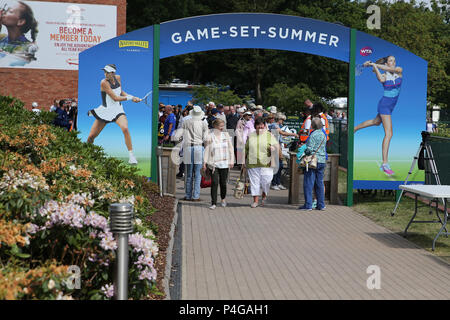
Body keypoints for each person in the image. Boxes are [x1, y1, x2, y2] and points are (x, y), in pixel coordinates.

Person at [354, 55, 402, 176]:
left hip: (391, 106)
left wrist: (372, 64)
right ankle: (385, 164)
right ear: (386, 64)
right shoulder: (384, 76)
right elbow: (380, 79)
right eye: (391, 60)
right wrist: (374, 67)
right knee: (389, 134)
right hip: (385, 105)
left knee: (376, 122)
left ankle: (354, 128)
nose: (394, 62)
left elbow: (392, 70)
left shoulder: (399, 71)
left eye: (394, 60)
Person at [87, 64, 141, 165]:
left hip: (117, 110)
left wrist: (133, 96)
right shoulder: (103, 82)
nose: (105, 74)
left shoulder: (118, 78)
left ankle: (131, 156)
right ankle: (87, 152)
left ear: (113, 73)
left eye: (107, 72)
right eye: (105, 72)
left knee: (125, 128)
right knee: (91, 137)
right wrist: (130, 98)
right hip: (105, 111)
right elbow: (115, 98)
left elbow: (120, 92)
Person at [174, 105, 209, 201]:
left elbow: (179, 135)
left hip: (188, 147)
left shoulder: (186, 121)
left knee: (188, 173)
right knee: (198, 174)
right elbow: (206, 139)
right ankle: (196, 196)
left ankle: (188, 195)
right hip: (198, 147)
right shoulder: (203, 123)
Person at [244, 117, 279, 208]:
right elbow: (246, 149)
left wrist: (273, 148)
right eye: (258, 125)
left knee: (266, 181)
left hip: (266, 162)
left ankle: (264, 195)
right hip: (252, 162)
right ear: (255, 126)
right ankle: (255, 201)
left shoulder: (269, 135)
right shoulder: (251, 135)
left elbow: (276, 147)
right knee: (254, 182)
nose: (260, 127)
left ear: (264, 125)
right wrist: (242, 162)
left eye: (262, 125)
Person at [204, 119, 234, 210]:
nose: (222, 128)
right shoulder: (210, 136)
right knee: (214, 182)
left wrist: (232, 160)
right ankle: (213, 202)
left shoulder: (226, 135)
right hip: (213, 163)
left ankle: (223, 198)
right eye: (220, 126)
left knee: (223, 183)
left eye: (223, 126)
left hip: (224, 163)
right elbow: (207, 150)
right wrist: (204, 162)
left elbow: (230, 149)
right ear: (215, 126)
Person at [299, 117, 327, 211]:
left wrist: (304, 150)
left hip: (313, 161)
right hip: (322, 160)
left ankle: (308, 205)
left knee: (308, 183)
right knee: (319, 183)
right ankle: (321, 204)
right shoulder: (324, 134)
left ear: (313, 125)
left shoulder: (313, 135)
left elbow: (310, 149)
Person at [0, 1, 38, 66]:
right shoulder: (2, 37)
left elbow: (9, 63)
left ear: (20, 21)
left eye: (10, 11)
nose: (4, 12)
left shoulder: (27, 47)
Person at [269, 113, 298, 190]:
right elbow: (282, 133)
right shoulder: (274, 125)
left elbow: (281, 135)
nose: (283, 121)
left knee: (280, 165)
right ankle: (274, 183)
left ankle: (278, 182)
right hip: (274, 147)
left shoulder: (277, 126)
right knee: (276, 166)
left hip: (278, 146)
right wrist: (293, 134)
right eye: (282, 120)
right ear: (279, 119)